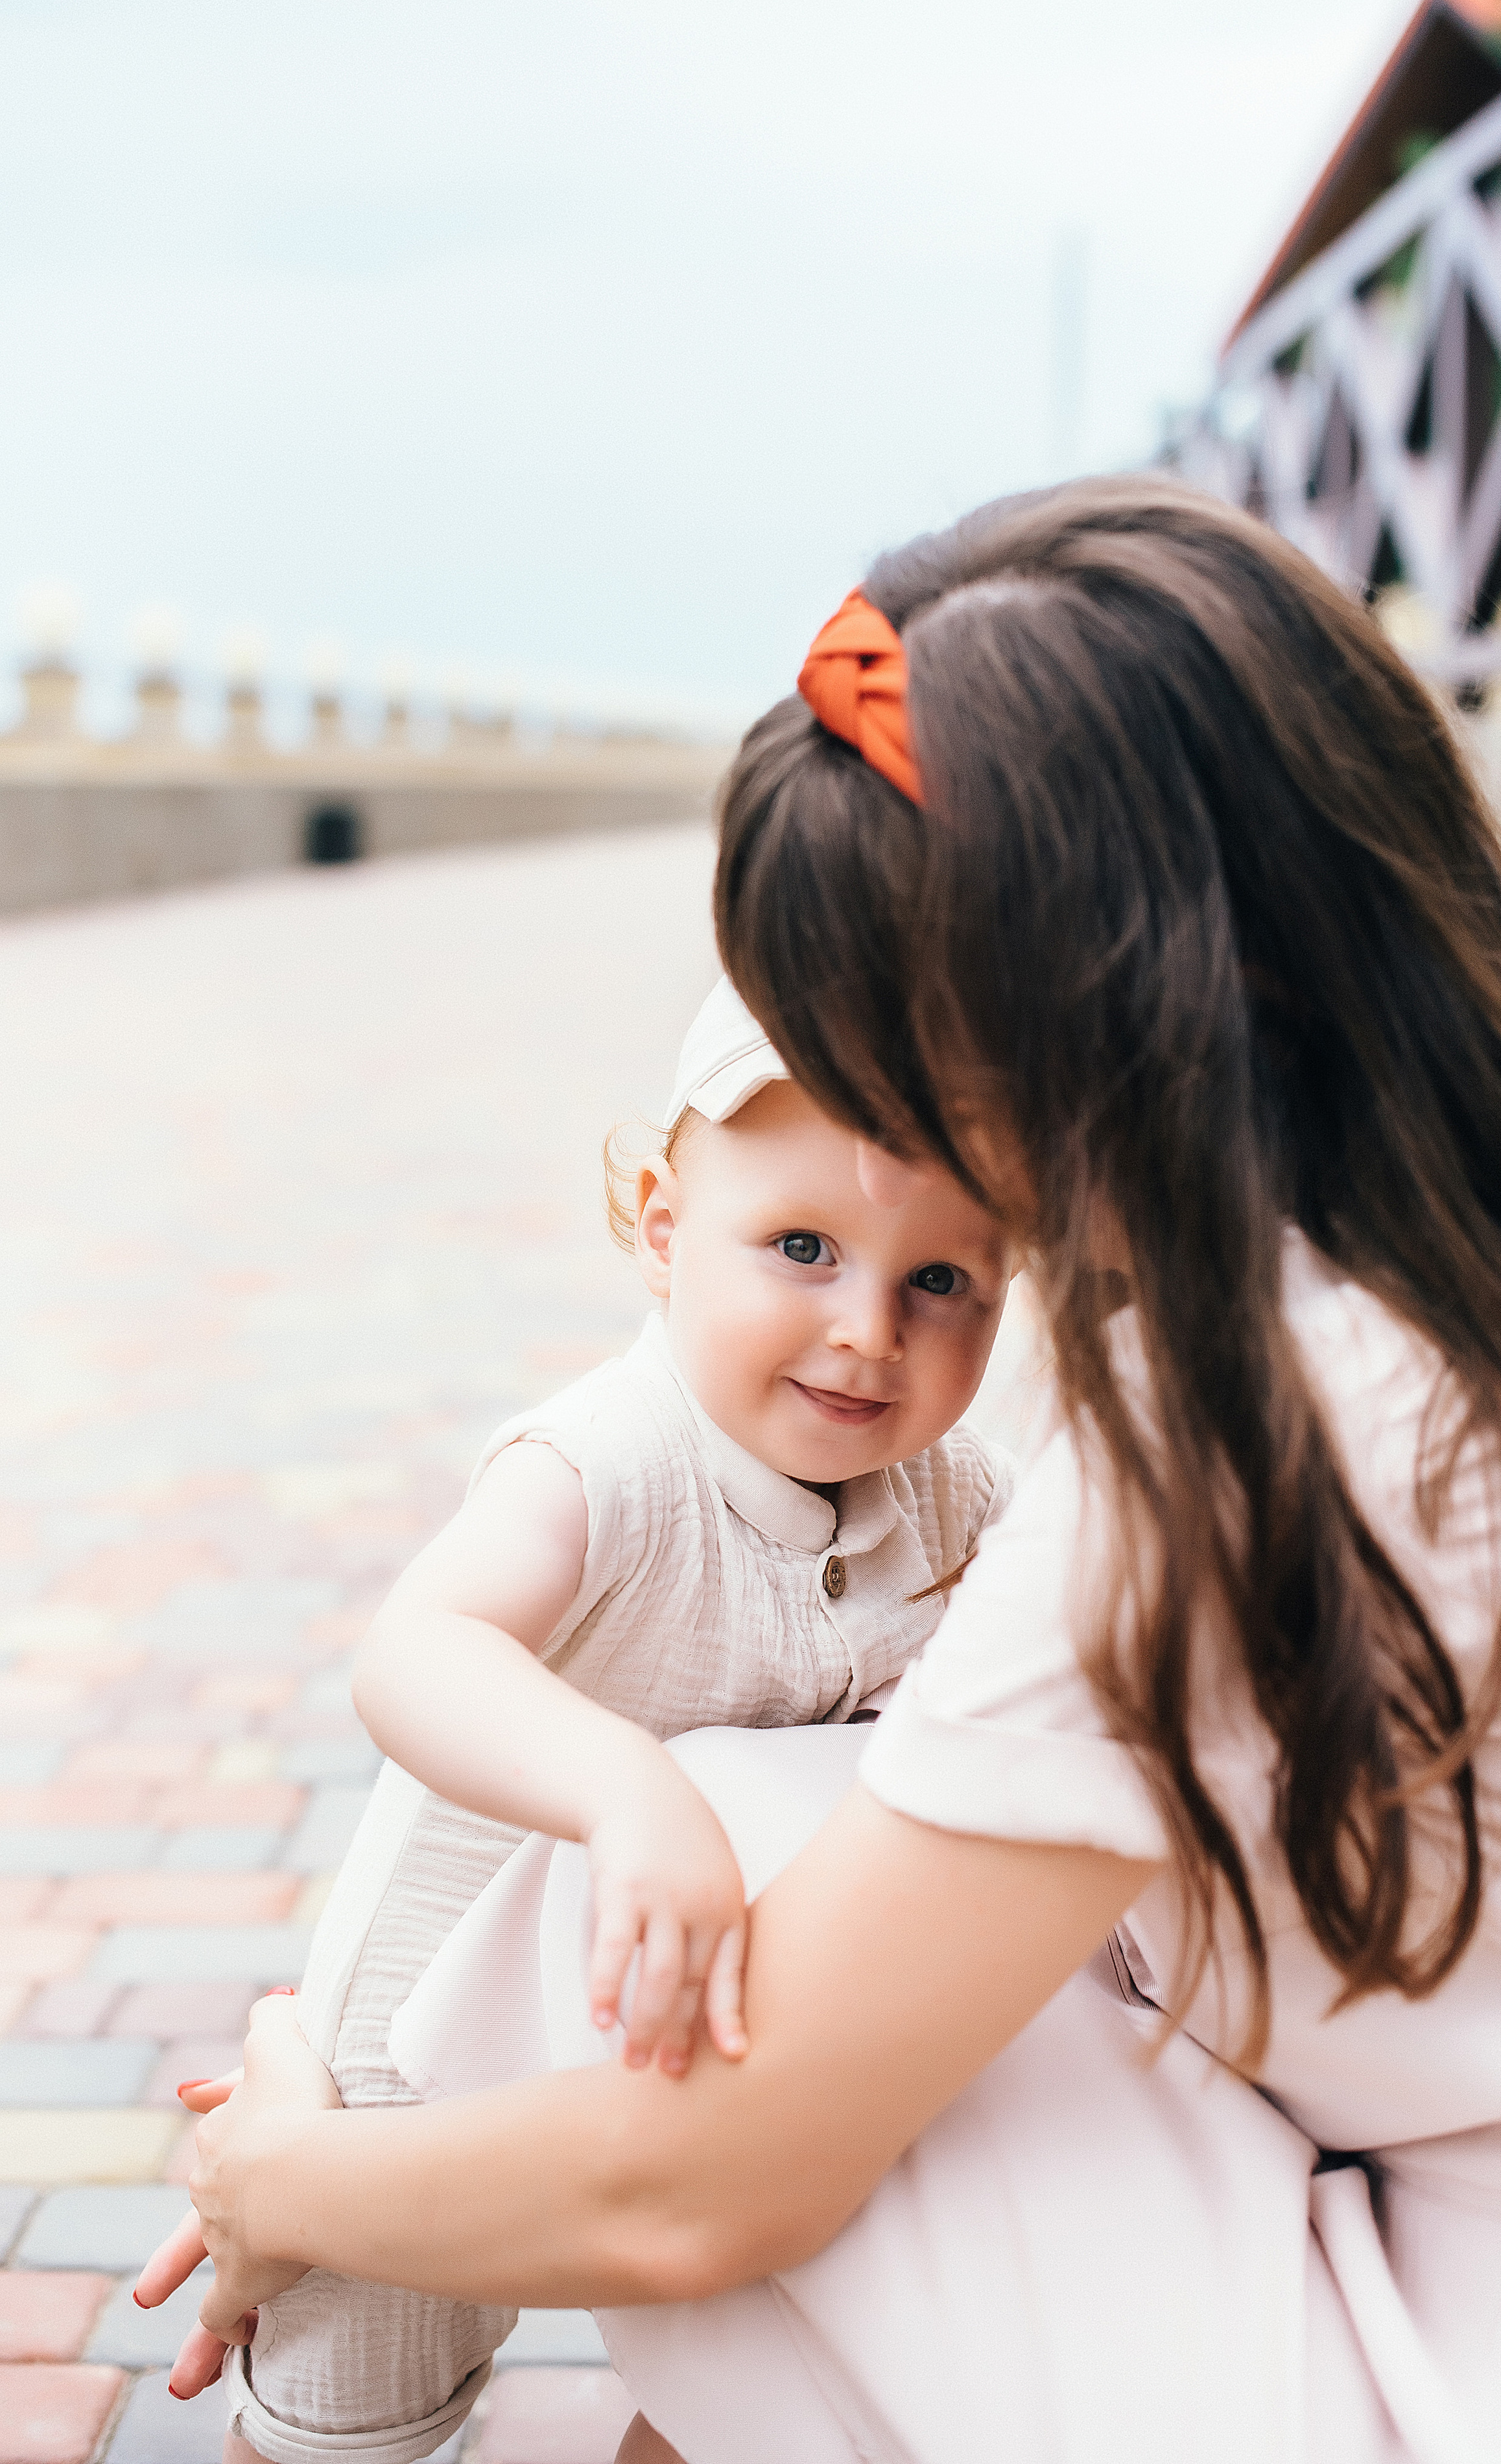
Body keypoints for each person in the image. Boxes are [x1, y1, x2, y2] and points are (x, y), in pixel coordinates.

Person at [143, 479, 1501, 2463]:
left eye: (902, 1048)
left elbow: (710, 2184)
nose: (886, 1131)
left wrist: (273, 2180)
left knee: (647, 1923)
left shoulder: (1242, 1450)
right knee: (760, 1845)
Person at [163, 977, 1015, 2463]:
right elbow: (416, 1650)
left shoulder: (959, 1499)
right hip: (424, 2070)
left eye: (942, 1283)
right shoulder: (604, 1466)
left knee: (765, 2382)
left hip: (700, 2045)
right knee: (340, 2410)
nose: (868, 1334)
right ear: (662, 1223)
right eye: (802, 1248)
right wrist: (626, 1789)